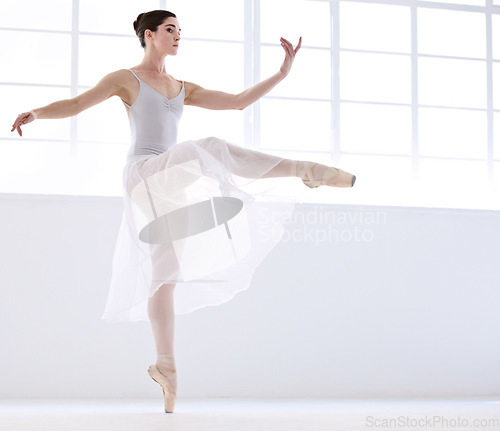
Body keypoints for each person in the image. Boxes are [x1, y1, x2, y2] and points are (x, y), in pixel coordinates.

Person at [11, 10, 356, 413]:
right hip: (143, 176)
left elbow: (238, 102)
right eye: (170, 30)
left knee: (164, 277)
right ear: (149, 35)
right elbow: (76, 103)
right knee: (207, 147)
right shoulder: (126, 79)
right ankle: (304, 170)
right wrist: (36, 112)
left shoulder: (181, 87)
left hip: (169, 186)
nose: (177, 36)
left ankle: (166, 368)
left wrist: (283, 72)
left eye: (180, 31)